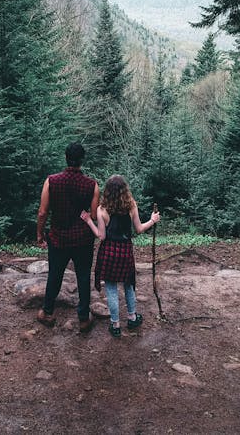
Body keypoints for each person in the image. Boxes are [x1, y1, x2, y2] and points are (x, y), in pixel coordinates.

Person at [80, 175, 160, 338]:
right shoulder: (131, 205)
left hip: (108, 251)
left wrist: (89, 221)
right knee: (128, 284)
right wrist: (152, 220)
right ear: (125, 190)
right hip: (125, 250)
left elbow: (101, 236)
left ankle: (115, 325)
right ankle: (132, 318)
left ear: (107, 191)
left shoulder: (101, 209)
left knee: (110, 287)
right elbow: (138, 229)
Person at [36, 143, 100, 332]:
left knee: (55, 275)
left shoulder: (51, 181)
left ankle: (47, 312)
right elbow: (95, 216)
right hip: (83, 240)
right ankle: (83, 318)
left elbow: (42, 212)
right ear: (82, 160)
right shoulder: (92, 185)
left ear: (66, 158)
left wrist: (40, 234)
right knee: (83, 276)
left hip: (58, 238)